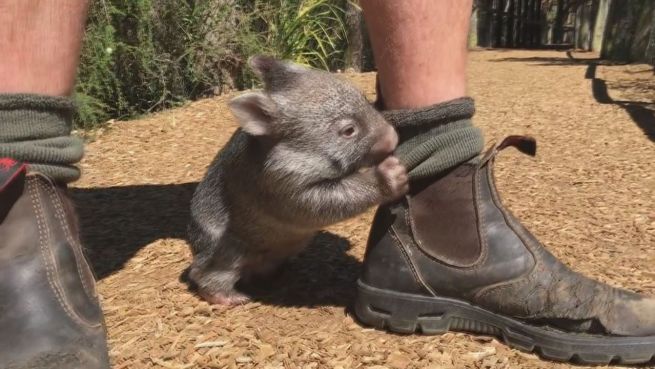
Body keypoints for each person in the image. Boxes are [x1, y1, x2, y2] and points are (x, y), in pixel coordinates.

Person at [0, 1, 652, 368]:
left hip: (282, 209)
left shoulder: (315, 133)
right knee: (224, 250)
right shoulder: (281, 163)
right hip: (239, 228)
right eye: (349, 131)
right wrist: (370, 189)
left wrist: (379, 157)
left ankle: (439, 186)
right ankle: (16, 179)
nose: (376, 135)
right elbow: (311, 199)